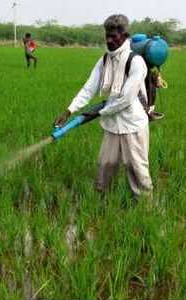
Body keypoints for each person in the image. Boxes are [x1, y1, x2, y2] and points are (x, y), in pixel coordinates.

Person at [54, 14, 153, 199]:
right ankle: (101, 203)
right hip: (111, 124)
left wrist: (99, 111)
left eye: (114, 36)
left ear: (124, 35)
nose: (109, 40)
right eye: (107, 35)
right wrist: (69, 110)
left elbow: (125, 98)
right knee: (105, 165)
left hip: (132, 124)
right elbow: (89, 88)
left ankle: (145, 208)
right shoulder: (105, 60)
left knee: (137, 168)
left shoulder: (136, 62)